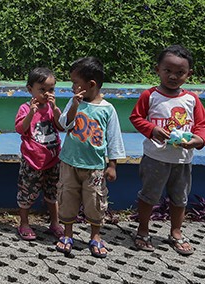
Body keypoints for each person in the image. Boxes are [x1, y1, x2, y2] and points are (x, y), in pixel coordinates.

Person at [129, 45, 205, 256]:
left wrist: (198, 140)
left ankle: (176, 232)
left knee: (180, 198)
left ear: (189, 74)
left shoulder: (192, 99)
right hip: (155, 158)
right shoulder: (150, 96)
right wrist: (152, 129)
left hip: (182, 160)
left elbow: (202, 125)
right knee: (149, 196)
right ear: (158, 70)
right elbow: (136, 118)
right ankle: (143, 230)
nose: (173, 76)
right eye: (168, 71)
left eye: (180, 72)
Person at [55, 57, 125, 259]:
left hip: (94, 167)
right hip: (69, 163)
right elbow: (64, 124)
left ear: (91, 84)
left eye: (75, 83)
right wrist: (74, 106)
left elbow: (113, 138)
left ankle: (95, 236)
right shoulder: (74, 102)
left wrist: (112, 165)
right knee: (67, 198)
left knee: (95, 201)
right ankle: (68, 234)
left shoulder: (107, 109)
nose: (72, 87)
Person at [14, 67, 64, 241]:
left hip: (53, 160)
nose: (47, 94)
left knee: (53, 193)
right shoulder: (24, 108)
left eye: (51, 89)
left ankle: (55, 223)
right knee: (27, 193)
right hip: (32, 161)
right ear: (30, 89)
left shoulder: (51, 108)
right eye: (42, 89)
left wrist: (55, 108)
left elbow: (61, 126)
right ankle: (24, 223)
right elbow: (21, 129)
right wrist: (31, 113)